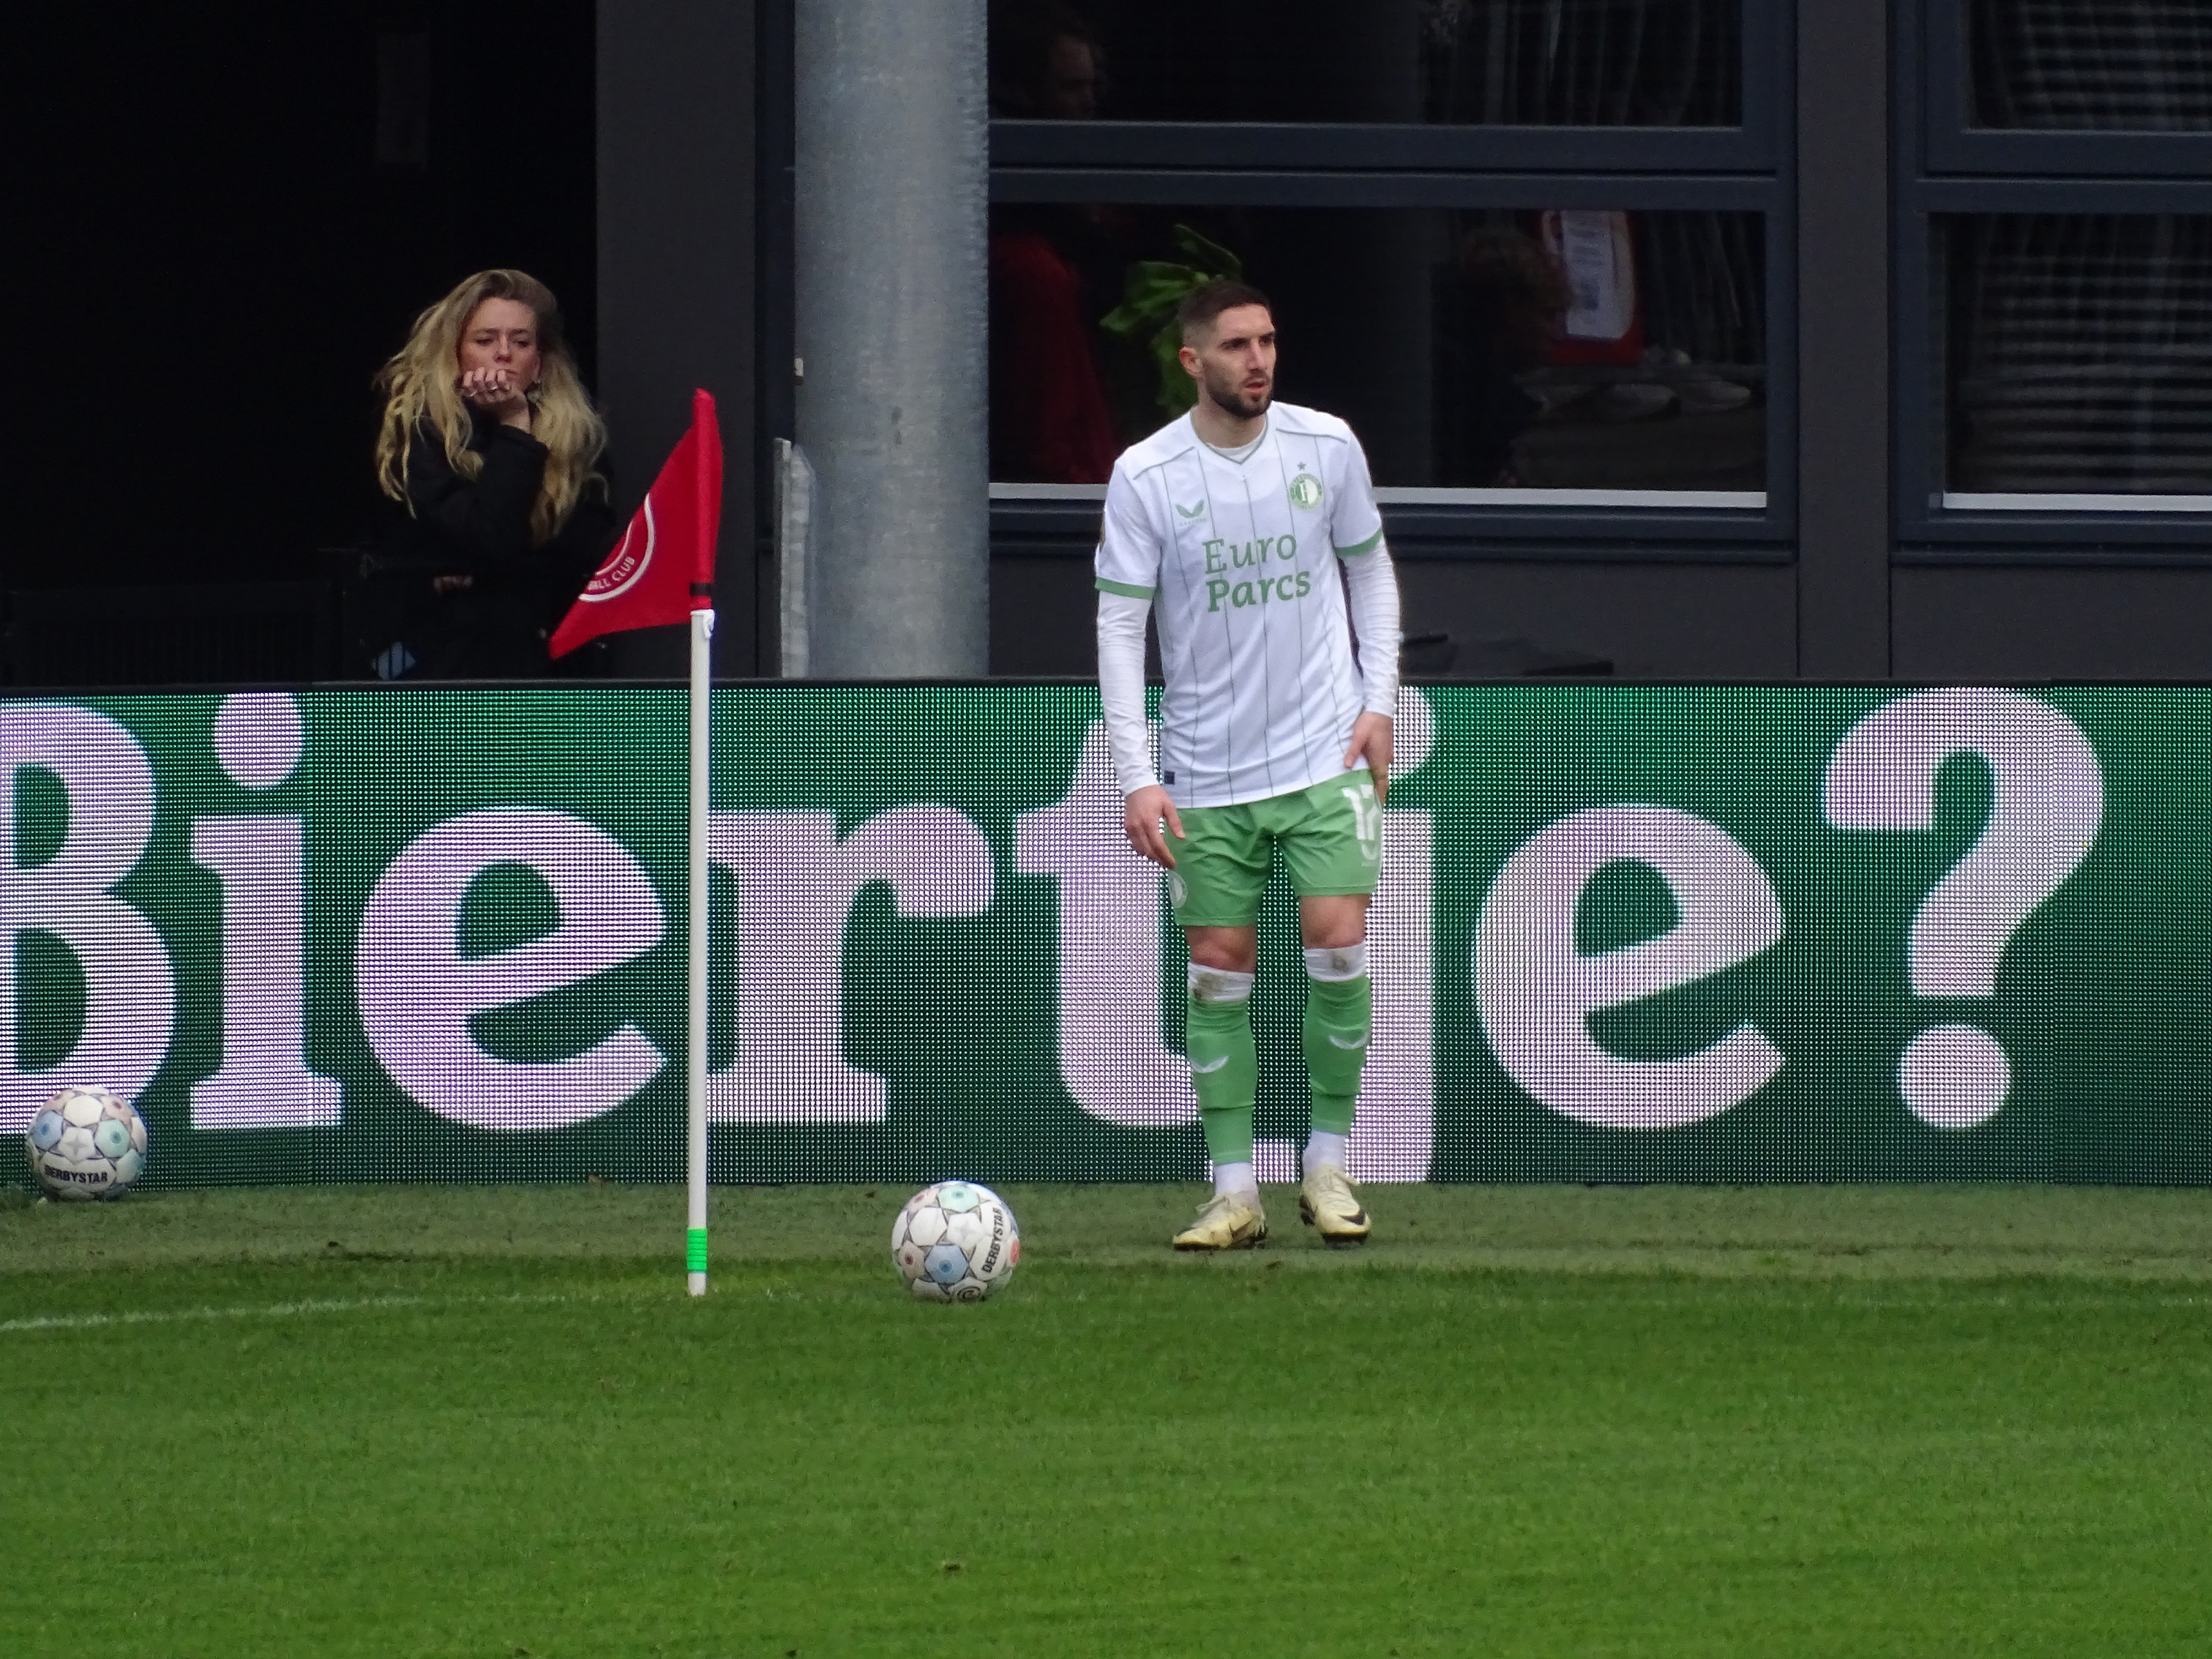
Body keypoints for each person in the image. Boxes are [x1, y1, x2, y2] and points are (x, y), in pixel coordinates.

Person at [1094, 279, 1402, 1250]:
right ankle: (1234, 1187)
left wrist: (1379, 702)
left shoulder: (1327, 445)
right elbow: (1118, 624)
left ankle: (1327, 1163)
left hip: (1321, 754)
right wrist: (1135, 775)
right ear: (1193, 361)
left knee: (1338, 940)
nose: (1258, 361)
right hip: (1207, 769)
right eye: (1235, 346)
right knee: (1220, 967)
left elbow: (1369, 567)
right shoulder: (1147, 475)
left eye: (1267, 342)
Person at [370, 269, 616, 677]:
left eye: (520, 342)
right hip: (437, 663)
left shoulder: (577, 437)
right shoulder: (418, 429)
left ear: (537, 365)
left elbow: (584, 542)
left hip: (544, 658)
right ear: (454, 353)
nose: (503, 353)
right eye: (485, 341)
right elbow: (490, 536)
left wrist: (517, 421)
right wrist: (513, 426)